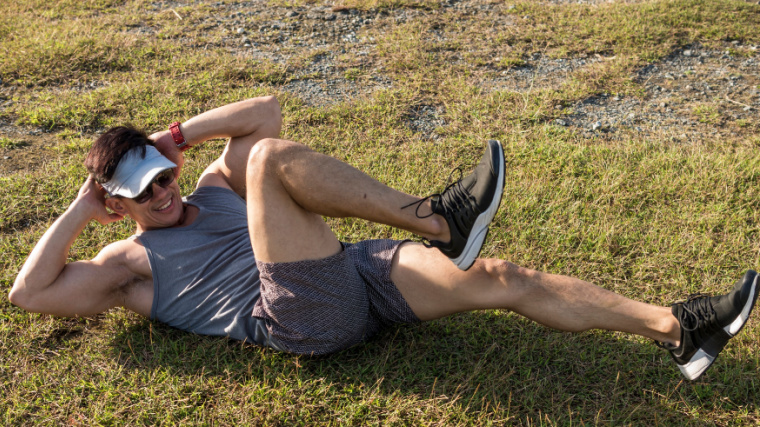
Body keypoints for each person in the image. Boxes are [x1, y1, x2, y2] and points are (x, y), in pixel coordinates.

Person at [9, 96, 757, 381]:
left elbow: (265, 109)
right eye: (146, 192)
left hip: (348, 270)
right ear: (120, 207)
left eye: (163, 177)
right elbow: (29, 293)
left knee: (503, 275)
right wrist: (85, 204)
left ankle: (681, 329)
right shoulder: (127, 262)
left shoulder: (207, 185)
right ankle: (438, 218)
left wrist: (172, 138)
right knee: (266, 161)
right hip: (296, 315)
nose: (167, 193)